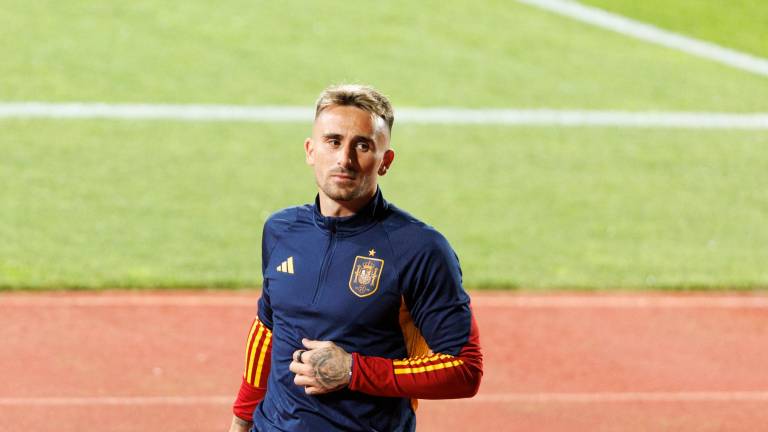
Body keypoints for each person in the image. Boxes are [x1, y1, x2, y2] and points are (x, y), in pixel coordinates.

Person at [228, 84, 483, 432]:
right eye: (333, 141)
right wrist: (242, 419)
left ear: (385, 161)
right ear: (310, 150)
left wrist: (353, 371)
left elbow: (464, 369)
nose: (344, 159)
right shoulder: (281, 230)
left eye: (362, 145)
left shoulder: (419, 249)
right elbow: (268, 328)